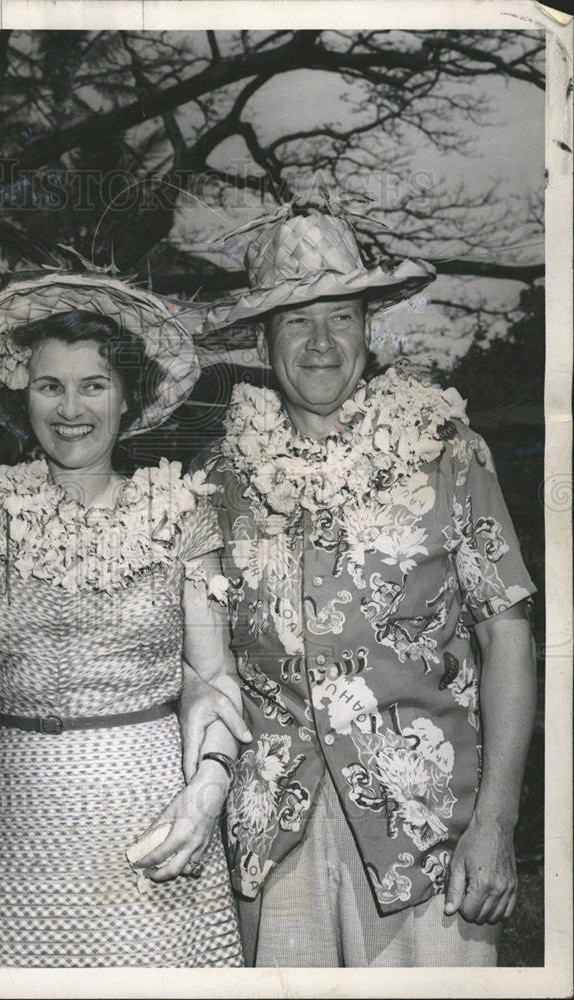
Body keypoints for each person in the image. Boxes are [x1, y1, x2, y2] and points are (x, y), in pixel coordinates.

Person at [180, 207, 538, 967]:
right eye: (295, 322)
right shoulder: (215, 481)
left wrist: (497, 824)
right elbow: (192, 664)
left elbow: (506, 634)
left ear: (368, 328)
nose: (319, 344)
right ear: (259, 339)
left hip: (433, 832)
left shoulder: (447, 450)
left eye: (339, 318)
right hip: (274, 839)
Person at [0, 269, 244, 967]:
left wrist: (207, 795)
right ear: (23, 397)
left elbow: (214, 675)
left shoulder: (181, 514)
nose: (71, 408)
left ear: (129, 397)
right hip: (14, 825)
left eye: (93, 384)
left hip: (150, 818)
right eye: (49, 385)